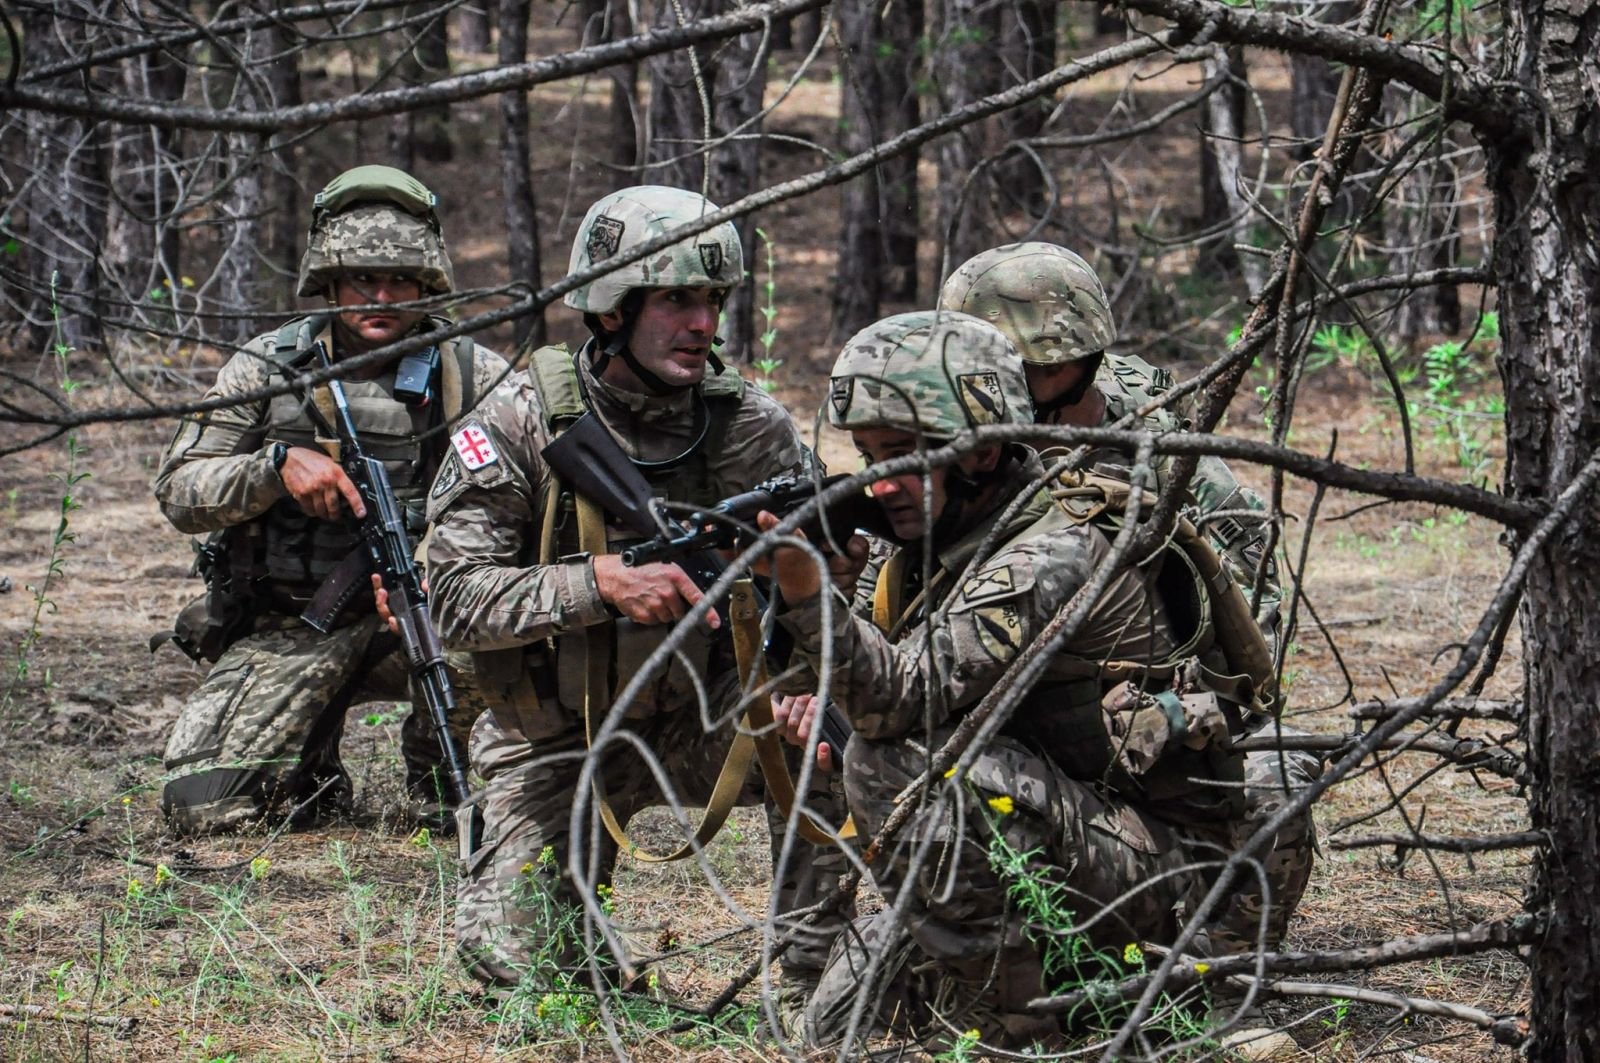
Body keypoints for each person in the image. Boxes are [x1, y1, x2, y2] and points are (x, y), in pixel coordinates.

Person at [763, 310, 1305, 1057]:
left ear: (984, 451)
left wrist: (804, 592)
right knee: (833, 1032)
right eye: (868, 455)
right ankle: (1060, 992)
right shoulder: (933, 544)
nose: (880, 481)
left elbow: (895, 702)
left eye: (907, 453)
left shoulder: (1050, 546)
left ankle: (1022, 1037)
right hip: (1056, 833)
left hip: (1169, 871)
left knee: (898, 763)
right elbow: (857, 694)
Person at [424, 185, 848, 1013]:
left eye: (714, 300)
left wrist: (796, 572)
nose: (703, 324)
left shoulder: (749, 427)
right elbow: (451, 597)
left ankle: (813, 981)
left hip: (698, 718)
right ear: (612, 308)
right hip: (557, 735)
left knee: (815, 724)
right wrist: (600, 583)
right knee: (526, 975)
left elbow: (827, 590)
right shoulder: (518, 420)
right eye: (677, 299)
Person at [152, 164, 507, 836]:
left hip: (420, 619)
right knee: (205, 808)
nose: (381, 296)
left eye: (400, 279)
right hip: (292, 625)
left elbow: (518, 500)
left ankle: (438, 780)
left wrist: (443, 566)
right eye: (361, 279)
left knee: (497, 637)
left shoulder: (470, 374)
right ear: (329, 282)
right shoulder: (267, 367)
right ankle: (312, 771)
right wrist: (273, 469)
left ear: (427, 281)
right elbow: (178, 489)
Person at [939, 241, 1282, 629]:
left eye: (1059, 363)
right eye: (1032, 365)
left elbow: (1252, 587)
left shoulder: (1152, 439)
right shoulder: (947, 436)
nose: (1051, 372)